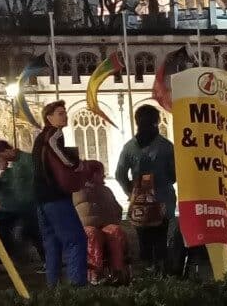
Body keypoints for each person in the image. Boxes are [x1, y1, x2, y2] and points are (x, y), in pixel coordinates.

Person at [33, 101, 94, 287]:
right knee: (76, 240)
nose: (65, 116)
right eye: (60, 113)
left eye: (65, 113)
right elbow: (55, 148)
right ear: (49, 117)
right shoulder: (53, 133)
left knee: (52, 245)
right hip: (56, 197)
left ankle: (54, 289)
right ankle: (77, 288)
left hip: (41, 199)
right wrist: (77, 164)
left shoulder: (39, 138)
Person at [113, 105, 177, 273]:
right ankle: (163, 273)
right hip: (163, 200)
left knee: (144, 239)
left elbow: (119, 174)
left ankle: (147, 272)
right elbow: (174, 175)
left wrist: (132, 192)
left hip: (140, 202)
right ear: (157, 122)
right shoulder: (166, 146)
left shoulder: (129, 147)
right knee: (161, 238)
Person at [74, 162, 129, 285]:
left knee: (115, 231)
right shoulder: (76, 190)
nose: (104, 175)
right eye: (101, 173)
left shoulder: (106, 190)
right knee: (92, 234)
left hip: (106, 225)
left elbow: (117, 209)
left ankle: (118, 270)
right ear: (92, 174)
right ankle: (95, 272)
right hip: (85, 227)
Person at [0, 140, 44, 265]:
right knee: (27, 233)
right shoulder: (15, 164)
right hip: (22, 205)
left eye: (3, 156)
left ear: (7, 150)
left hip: (30, 203)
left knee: (33, 233)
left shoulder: (26, 160)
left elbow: (35, 179)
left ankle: (45, 260)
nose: (3, 159)